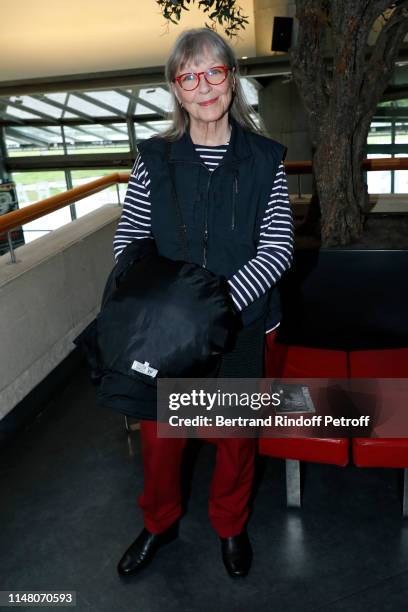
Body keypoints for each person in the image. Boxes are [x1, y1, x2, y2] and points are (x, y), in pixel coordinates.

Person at [113, 27, 294, 578]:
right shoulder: (156, 160)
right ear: (177, 90)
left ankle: (230, 526)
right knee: (162, 442)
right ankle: (159, 522)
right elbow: (129, 243)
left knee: (236, 441)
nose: (203, 86)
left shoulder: (264, 159)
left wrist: (218, 307)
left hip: (242, 325)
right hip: (168, 332)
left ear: (231, 80)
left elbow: (279, 245)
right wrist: (168, 307)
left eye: (213, 72)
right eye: (188, 77)